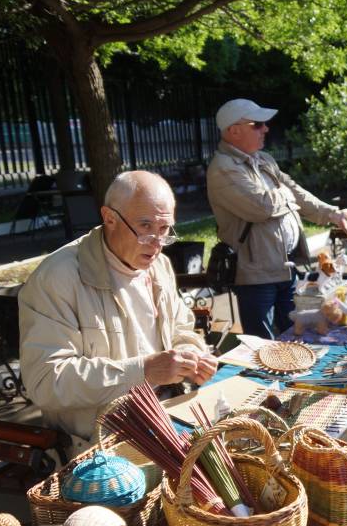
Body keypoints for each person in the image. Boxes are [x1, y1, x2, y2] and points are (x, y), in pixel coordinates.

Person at [19, 171, 217, 450]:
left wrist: (192, 354)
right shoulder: (58, 278)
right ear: (109, 218)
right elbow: (46, 380)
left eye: (164, 229)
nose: (157, 243)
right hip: (102, 441)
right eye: (145, 226)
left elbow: (180, 328)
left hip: (167, 414)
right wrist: (143, 371)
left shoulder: (158, 266)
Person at [206, 98, 347, 338]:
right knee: (263, 345)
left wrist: (332, 213)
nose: (265, 128)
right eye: (257, 124)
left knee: (298, 334)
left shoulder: (263, 159)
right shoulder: (223, 167)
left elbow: (294, 190)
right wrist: (286, 194)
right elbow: (261, 207)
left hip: (285, 268)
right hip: (256, 274)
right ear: (233, 130)